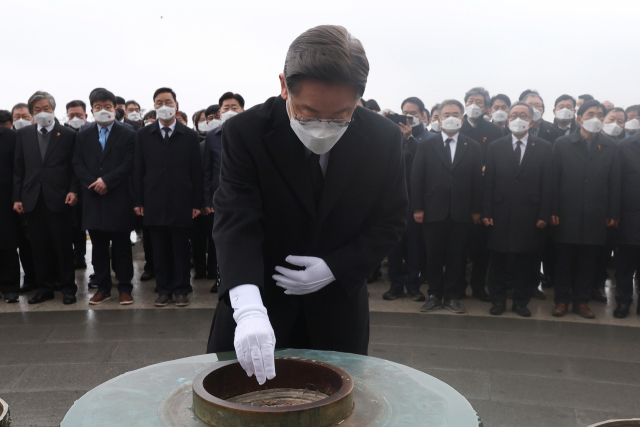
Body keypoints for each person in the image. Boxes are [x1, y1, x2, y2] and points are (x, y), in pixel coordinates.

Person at [206, 25, 407, 386]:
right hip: (259, 299)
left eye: (339, 117)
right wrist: (248, 308)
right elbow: (236, 220)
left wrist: (334, 268)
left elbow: (390, 220)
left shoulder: (383, 139)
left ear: (359, 98)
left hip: (336, 308)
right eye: (308, 114)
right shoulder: (246, 132)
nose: (322, 129)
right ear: (284, 85)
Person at [550, 100, 620, 319]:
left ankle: (581, 301)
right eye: (590, 114)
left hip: (596, 214)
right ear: (579, 119)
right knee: (564, 260)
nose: (596, 118)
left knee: (588, 261)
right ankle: (561, 300)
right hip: (566, 213)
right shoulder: (562, 144)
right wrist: (553, 209)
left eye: (600, 114)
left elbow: (614, 182)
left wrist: (613, 213)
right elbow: (554, 180)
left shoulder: (611, 146)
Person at [134, 87, 203, 307]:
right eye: (159, 102)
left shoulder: (189, 135)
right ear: (154, 106)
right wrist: (138, 200)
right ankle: (163, 289)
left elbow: (197, 172)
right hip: (153, 200)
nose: (164, 106)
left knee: (181, 249)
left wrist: (197, 202)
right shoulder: (143, 135)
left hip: (182, 200)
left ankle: (182, 289)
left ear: (176, 105)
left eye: (168, 101)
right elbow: (138, 170)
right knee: (159, 249)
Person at [482, 102, 552, 317]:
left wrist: (543, 214)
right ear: (508, 119)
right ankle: (498, 300)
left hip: (529, 213)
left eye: (523, 115)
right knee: (498, 261)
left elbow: (548, 183)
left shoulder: (544, 147)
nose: (517, 118)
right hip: (499, 211)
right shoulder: (495, 146)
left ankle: (521, 302)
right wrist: (486, 212)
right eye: (514, 115)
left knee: (525, 262)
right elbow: (488, 183)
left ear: (531, 121)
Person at [412, 99, 483, 314]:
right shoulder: (425, 145)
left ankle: (452, 295)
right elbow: (417, 178)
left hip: (461, 212)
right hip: (433, 210)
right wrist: (418, 208)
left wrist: (476, 209)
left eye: (455, 113)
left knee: (456, 256)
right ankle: (434, 294)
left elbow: (477, 182)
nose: (451, 117)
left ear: (462, 118)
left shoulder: (473, 146)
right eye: (446, 113)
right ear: (439, 118)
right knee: (433, 255)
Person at [13, 91, 79, 305]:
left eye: (46, 109)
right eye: (37, 110)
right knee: (39, 248)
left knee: (62, 246)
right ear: (32, 113)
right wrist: (18, 198)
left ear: (53, 109)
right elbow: (19, 169)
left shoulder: (68, 134)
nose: (42, 113)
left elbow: (74, 168)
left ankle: (68, 288)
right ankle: (45, 288)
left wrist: (73, 190)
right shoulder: (23, 135)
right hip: (32, 199)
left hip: (60, 198)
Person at [73, 89, 136, 305]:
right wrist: (94, 183)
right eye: (98, 107)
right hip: (93, 198)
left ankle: (125, 288)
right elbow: (77, 163)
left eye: (107, 106)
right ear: (91, 111)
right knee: (99, 248)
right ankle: (103, 287)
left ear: (115, 108)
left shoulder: (128, 133)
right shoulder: (83, 134)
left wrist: (107, 181)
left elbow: (129, 163)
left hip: (118, 197)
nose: (103, 110)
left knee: (121, 247)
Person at [383, 97, 434, 301]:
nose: (409, 116)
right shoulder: (393, 136)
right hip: (394, 200)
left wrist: (410, 140)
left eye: (413, 113)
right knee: (394, 245)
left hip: (417, 201)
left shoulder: (430, 139)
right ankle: (395, 285)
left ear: (423, 115)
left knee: (415, 246)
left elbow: (421, 166)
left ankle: (413, 284)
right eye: (405, 112)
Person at [460, 87, 503, 302]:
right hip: (459, 196)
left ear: (486, 107)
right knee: (458, 248)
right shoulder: (456, 126)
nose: (474, 104)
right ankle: (457, 287)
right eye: (470, 100)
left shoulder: (495, 131)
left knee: (480, 250)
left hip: (484, 197)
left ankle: (478, 287)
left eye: (479, 101)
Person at [614, 129, 640, 317]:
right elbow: (615, 182)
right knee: (624, 265)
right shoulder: (624, 146)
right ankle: (623, 301)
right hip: (628, 216)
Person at [0, 125, 20, 303]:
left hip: (5, 199)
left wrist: (17, 197)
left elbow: (18, 169)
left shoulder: (9, 136)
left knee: (7, 245)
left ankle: (10, 288)